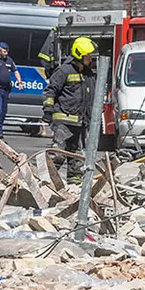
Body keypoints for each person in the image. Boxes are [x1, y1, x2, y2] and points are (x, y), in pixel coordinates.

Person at [42, 36, 97, 182]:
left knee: (76, 156)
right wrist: (48, 110)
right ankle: (47, 180)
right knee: (58, 153)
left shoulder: (89, 74)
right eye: (87, 56)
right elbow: (51, 91)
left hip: (81, 122)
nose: (90, 58)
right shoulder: (64, 71)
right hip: (64, 121)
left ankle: (75, 184)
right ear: (79, 55)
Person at [0, 41, 21, 138]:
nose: (6, 53)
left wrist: (19, 82)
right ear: (0, 51)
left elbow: (16, 71)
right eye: (4, 51)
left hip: (6, 89)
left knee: (3, 111)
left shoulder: (9, 60)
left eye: (7, 51)